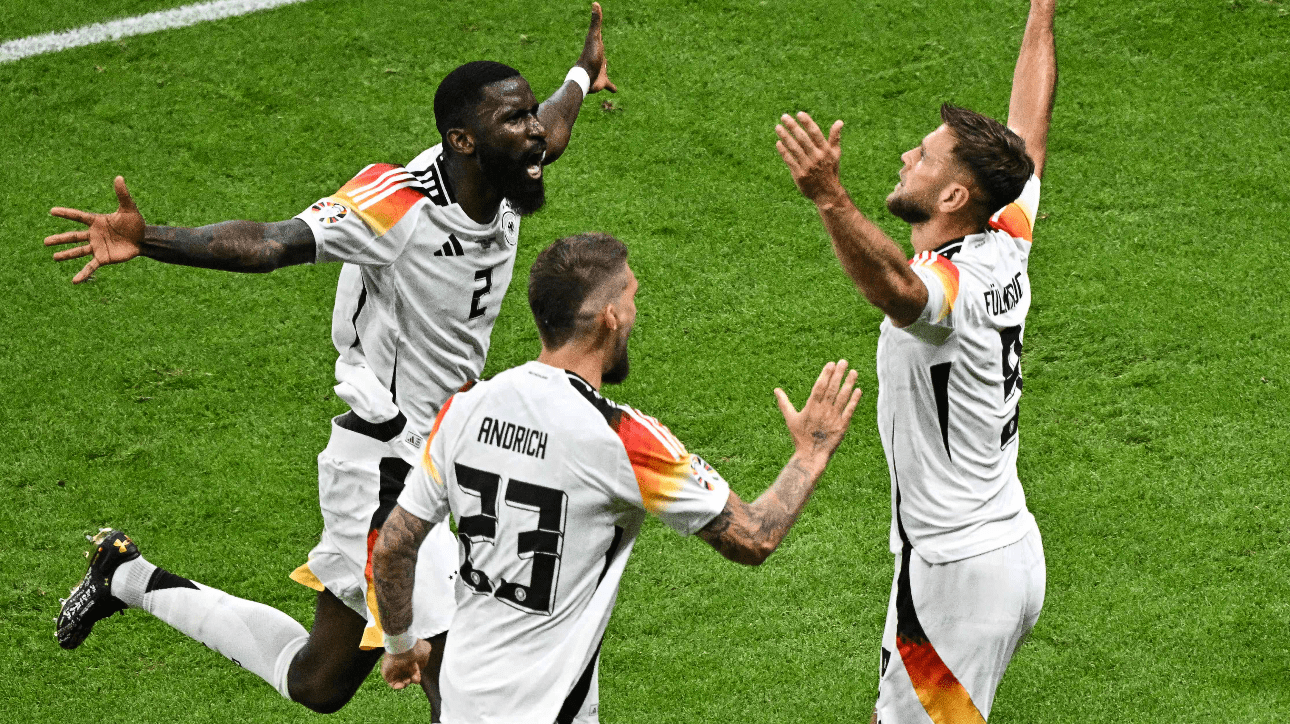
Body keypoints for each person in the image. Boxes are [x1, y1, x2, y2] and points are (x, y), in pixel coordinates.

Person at [48, 5, 616, 718]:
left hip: (450, 452)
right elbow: (271, 243)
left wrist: (581, 75)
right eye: (515, 119)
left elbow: (554, 128)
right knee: (455, 667)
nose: (534, 131)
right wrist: (149, 238)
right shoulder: (397, 204)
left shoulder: (509, 168)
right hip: (385, 464)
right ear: (463, 140)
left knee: (318, 683)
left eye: (531, 114)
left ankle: (125, 576)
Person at [369, 232, 862, 723]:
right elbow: (753, 536)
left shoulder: (465, 407)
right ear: (611, 318)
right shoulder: (620, 438)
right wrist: (811, 453)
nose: (634, 312)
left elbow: (394, 545)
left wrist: (401, 645)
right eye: (631, 298)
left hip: (460, 706)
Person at [774, 1, 1057, 721]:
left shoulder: (952, 287)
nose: (907, 156)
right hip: (1003, 550)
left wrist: (828, 197)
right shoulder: (1006, 237)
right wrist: (1040, 14)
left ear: (956, 195)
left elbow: (900, 291)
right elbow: (1029, 130)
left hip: (955, 576)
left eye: (924, 157)